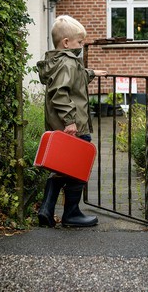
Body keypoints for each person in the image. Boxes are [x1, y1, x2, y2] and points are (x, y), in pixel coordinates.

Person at [36, 15, 108, 227]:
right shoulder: (68, 62)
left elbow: (75, 78)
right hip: (73, 126)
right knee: (78, 167)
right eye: (79, 42)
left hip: (61, 125)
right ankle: (72, 214)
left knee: (60, 167)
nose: (82, 45)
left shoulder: (60, 61)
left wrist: (92, 73)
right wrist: (70, 121)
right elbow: (60, 92)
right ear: (66, 42)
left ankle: (46, 211)